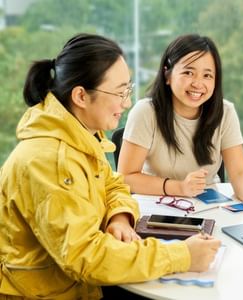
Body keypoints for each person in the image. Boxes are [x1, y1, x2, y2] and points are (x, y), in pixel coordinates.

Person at [0, 33, 220, 299]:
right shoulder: (50, 162)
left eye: (127, 91)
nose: (126, 103)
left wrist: (119, 217)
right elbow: (86, 258)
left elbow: (113, 183)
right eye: (119, 92)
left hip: (80, 284)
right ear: (81, 96)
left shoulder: (80, 136)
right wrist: (183, 256)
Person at [118, 34, 243, 218]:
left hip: (209, 209)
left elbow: (240, 174)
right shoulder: (146, 112)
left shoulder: (225, 112)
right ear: (167, 75)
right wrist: (180, 188)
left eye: (207, 75)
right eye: (188, 72)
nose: (198, 83)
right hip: (157, 207)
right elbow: (126, 177)